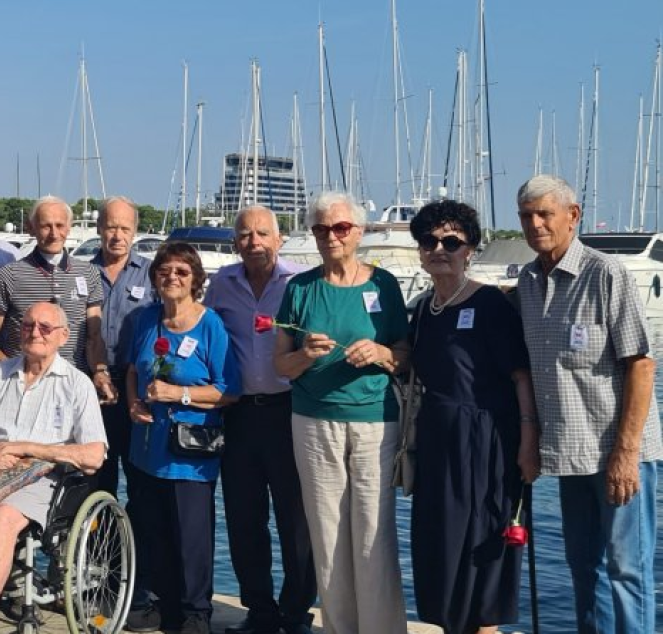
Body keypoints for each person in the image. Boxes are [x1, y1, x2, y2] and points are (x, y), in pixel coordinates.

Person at [514, 175, 662, 634]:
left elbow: (640, 365)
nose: (535, 224)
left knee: (628, 570)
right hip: (569, 454)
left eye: (545, 214)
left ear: (573, 216)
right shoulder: (527, 281)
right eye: (526, 216)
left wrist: (626, 453)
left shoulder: (606, 274)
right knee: (584, 568)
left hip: (618, 453)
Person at [272, 191, 409, 634]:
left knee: (373, 532)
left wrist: (381, 351)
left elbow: (405, 355)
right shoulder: (299, 288)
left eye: (341, 228)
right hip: (313, 421)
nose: (331, 236)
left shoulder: (383, 285)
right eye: (321, 229)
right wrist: (307, 356)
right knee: (327, 535)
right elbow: (281, 365)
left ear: (359, 232)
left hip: (375, 422)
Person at [406, 199, 539, 634]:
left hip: (486, 443)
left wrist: (527, 440)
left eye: (451, 241)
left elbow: (521, 377)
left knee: (483, 549)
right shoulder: (425, 309)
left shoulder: (489, 304)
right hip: (438, 442)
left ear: (471, 250)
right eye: (429, 241)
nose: (439, 249)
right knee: (442, 548)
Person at [0, 301, 108, 634]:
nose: (35, 333)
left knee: (4, 516)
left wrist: (28, 448)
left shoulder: (77, 383)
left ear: (63, 336)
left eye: (45, 328)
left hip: (42, 477)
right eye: (28, 326)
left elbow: (94, 455)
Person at [203, 206, 316, 634]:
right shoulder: (221, 284)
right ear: (235, 243)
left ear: (279, 238)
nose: (254, 242)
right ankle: (260, 611)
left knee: (296, 520)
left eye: (262, 234)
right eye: (246, 235)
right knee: (244, 518)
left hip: (289, 412)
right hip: (239, 416)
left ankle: (296, 612)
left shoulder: (301, 281)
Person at [124, 242, 241, 634]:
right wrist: (133, 403)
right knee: (151, 527)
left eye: (182, 272)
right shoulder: (146, 318)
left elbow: (229, 390)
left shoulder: (210, 325)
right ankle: (158, 603)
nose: (172, 277)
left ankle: (196, 612)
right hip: (147, 445)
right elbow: (131, 370)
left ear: (196, 280)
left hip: (192, 450)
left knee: (192, 535)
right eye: (164, 271)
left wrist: (180, 394)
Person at [0, 196, 116, 405]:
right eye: (46, 226)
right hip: (22, 389)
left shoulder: (89, 273)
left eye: (60, 225)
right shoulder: (8, 275)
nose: (54, 234)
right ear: (32, 228)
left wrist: (100, 372)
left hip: (73, 386)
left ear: (69, 227)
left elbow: (94, 336)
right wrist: (13, 370)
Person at [90, 196, 155, 495]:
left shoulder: (152, 274)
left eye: (125, 228)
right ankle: (100, 540)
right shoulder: (81, 272)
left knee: (140, 478)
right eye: (111, 227)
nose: (118, 236)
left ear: (135, 231)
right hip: (92, 386)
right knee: (97, 477)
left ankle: (139, 540)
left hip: (136, 387)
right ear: (99, 228)